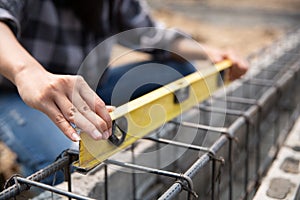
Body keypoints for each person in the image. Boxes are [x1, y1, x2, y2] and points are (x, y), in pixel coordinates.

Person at [0, 0, 248, 181]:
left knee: (182, 70)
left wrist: (209, 53)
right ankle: (36, 169)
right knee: (71, 161)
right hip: (16, 94)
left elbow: (153, 35)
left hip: (89, 89)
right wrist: (26, 72)